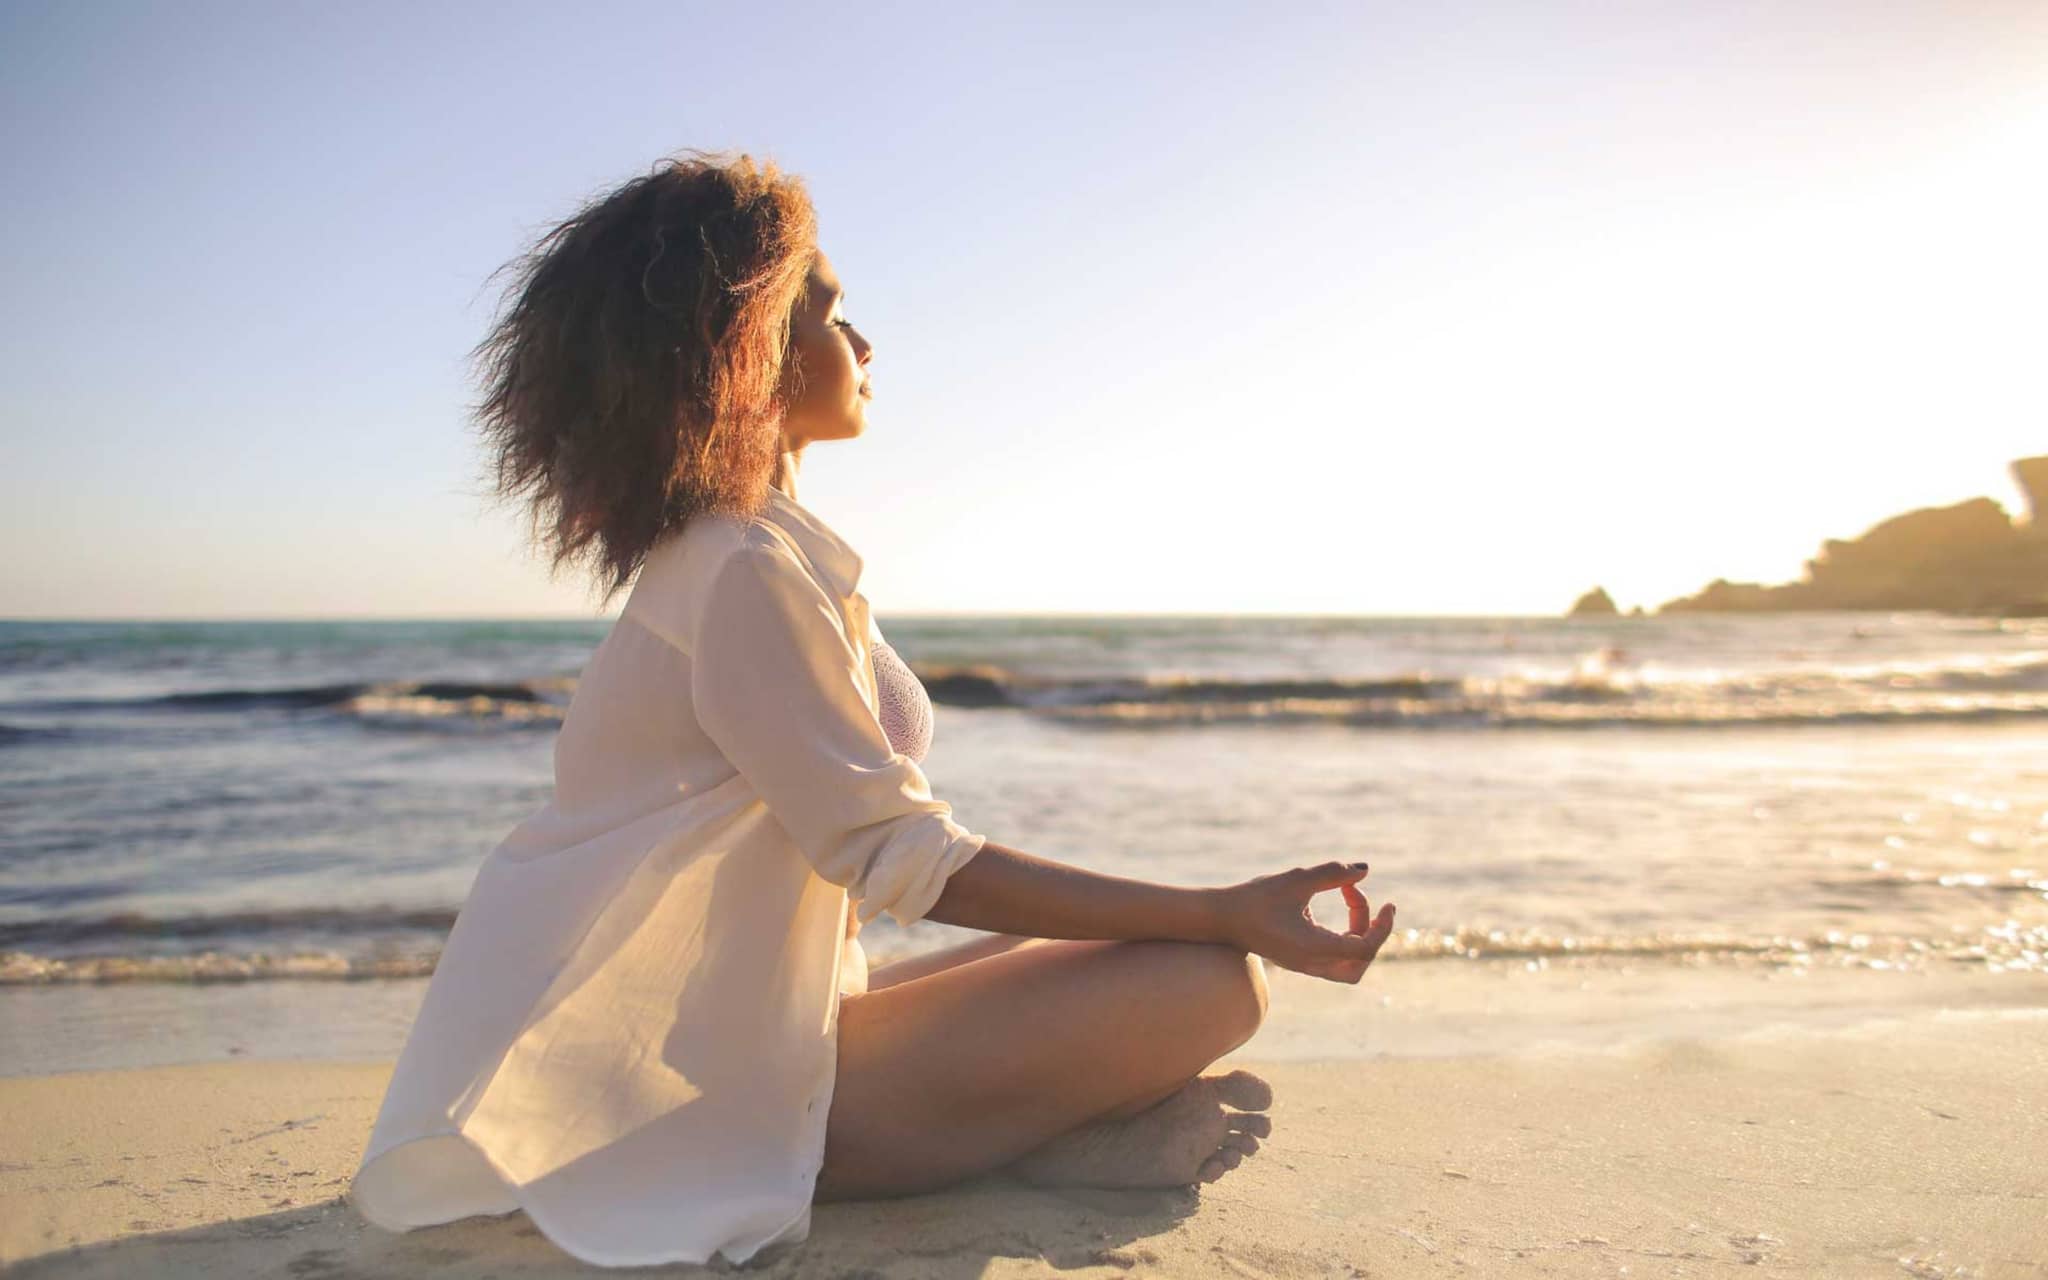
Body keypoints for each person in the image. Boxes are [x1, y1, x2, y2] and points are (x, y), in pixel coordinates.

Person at [349, 152, 1397, 1269]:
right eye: (832, 313)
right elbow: (901, 858)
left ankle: (1037, 1126)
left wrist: (1196, 908)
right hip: (715, 1094)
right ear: (742, 345)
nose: (863, 345)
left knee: (1135, 941)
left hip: (768, 1028)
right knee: (1201, 973)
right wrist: (1221, 911)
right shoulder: (739, 567)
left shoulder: (758, 551)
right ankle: (1022, 1137)